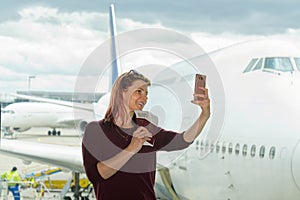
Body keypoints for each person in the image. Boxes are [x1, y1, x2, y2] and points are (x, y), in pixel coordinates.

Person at [82, 70, 210, 200]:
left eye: (146, 93)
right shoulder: (96, 130)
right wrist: (132, 148)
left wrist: (205, 114)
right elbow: (97, 175)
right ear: (122, 92)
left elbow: (182, 140)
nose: (144, 98)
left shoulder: (147, 128)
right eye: (139, 91)